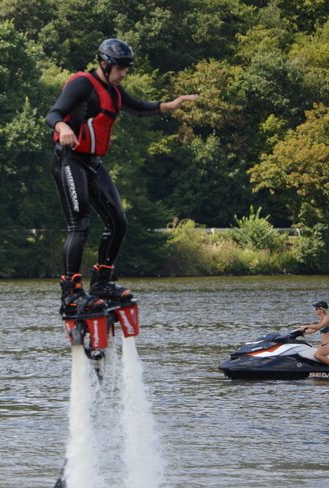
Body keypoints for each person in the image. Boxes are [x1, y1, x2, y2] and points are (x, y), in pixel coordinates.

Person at [45, 38, 199, 315]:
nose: (125, 73)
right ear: (104, 64)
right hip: (70, 160)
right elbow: (53, 112)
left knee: (118, 221)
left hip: (93, 162)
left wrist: (171, 105)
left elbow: (139, 108)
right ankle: (71, 293)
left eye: (127, 68)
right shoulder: (83, 84)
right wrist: (61, 126)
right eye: (121, 68)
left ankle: (102, 283)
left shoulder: (114, 91)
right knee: (79, 225)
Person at [299, 301, 329, 366]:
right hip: (324, 345)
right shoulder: (322, 319)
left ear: (322, 309)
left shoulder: (327, 318)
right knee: (309, 349)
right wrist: (301, 332)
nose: (315, 310)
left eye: (316, 308)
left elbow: (318, 326)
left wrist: (306, 326)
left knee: (317, 355)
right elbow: (313, 330)